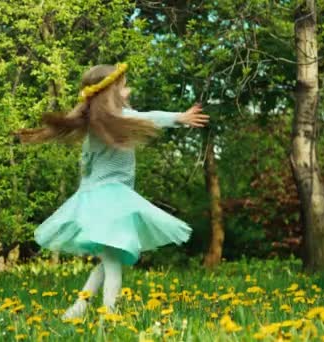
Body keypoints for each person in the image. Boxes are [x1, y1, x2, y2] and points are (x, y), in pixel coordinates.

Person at [15, 63, 209, 319]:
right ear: (111, 93)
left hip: (102, 197)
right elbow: (148, 117)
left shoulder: (107, 123)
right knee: (113, 261)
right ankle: (109, 313)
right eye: (123, 86)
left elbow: (85, 166)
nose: (128, 90)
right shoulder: (115, 122)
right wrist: (178, 117)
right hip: (109, 199)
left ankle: (78, 309)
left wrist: (85, 197)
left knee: (110, 257)